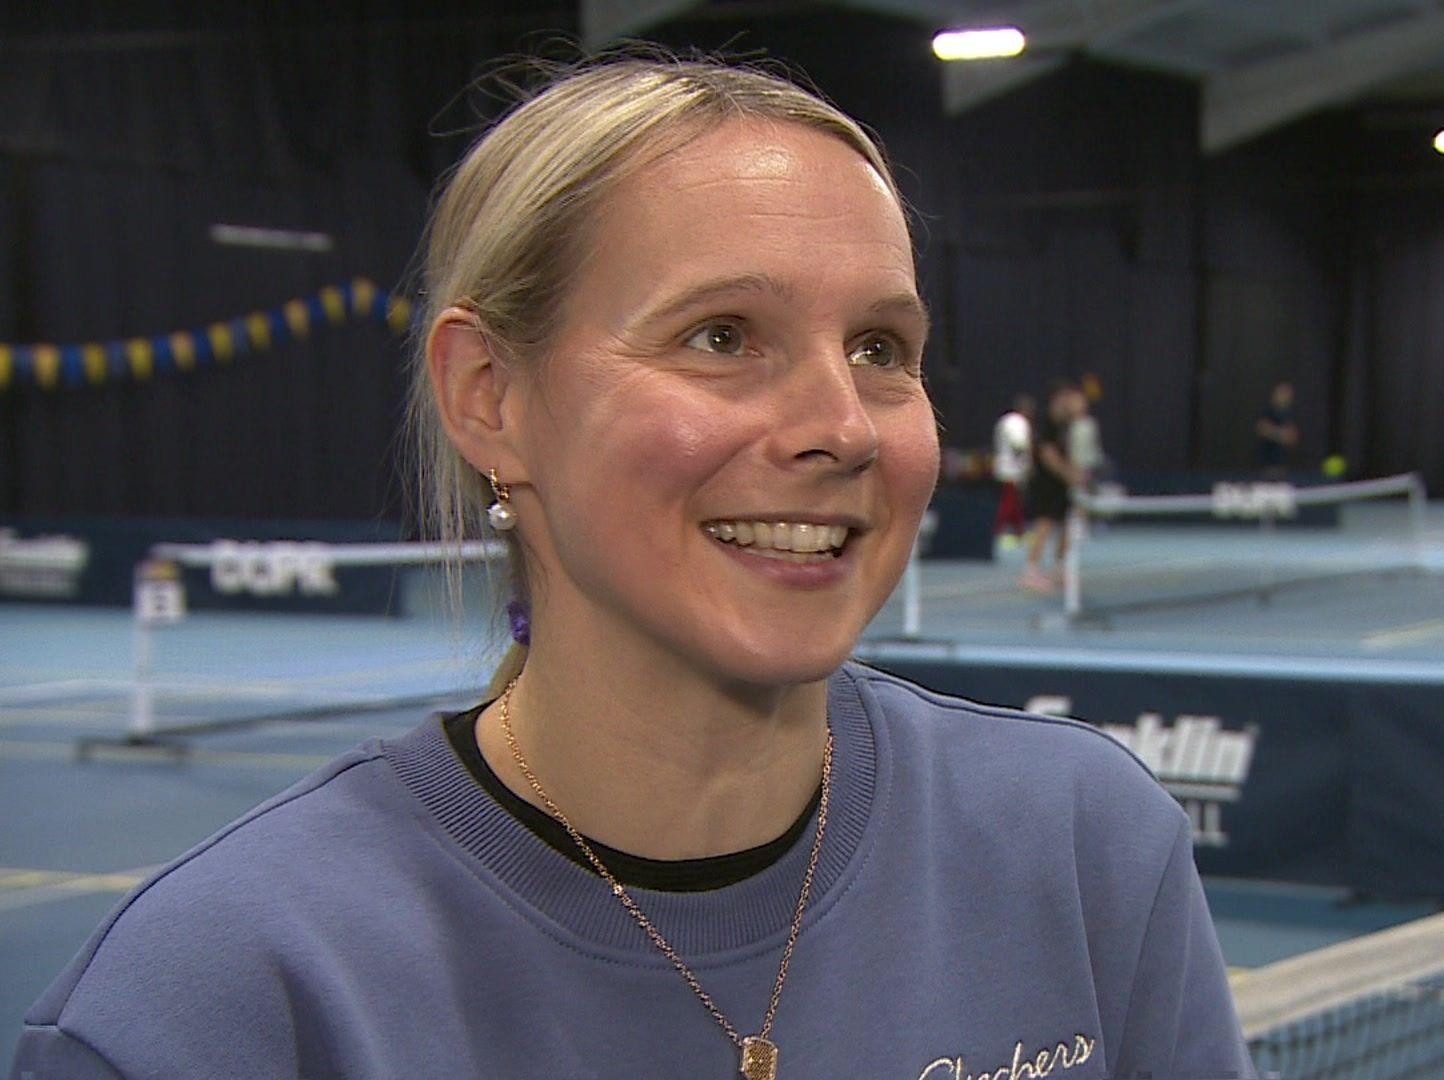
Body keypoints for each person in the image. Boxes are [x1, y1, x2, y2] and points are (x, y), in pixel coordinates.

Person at [13, 55, 1252, 1079]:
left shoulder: (1085, 845)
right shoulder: (222, 994)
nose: (843, 425)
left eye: (882, 344)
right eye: (723, 336)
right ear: (490, 397)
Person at [1022, 380, 1086, 592]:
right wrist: (1069, 475)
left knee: (1067, 526)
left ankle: (1059, 568)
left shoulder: (1068, 425)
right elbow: (1048, 456)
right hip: (1045, 483)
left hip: (1062, 485)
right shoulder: (1045, 423)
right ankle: (1030, 571)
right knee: (1045, 524)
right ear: (1058, 400)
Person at [990, 393, 1035, 549]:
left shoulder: (1005, 420)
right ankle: (998, 531)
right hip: (1012, 470)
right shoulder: (1018, 422)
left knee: (1014, 503)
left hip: (1006, 467)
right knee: (1008, 502)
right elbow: (1019, 445)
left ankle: (1020, 531)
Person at [1255, 381, 1300, 479]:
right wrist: (1281, 434)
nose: (1285, 396)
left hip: (1284, 471)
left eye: (1288, 393)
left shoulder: (1291, 415)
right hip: (1267, 470)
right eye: (1282, 393)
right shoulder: (1267, 411)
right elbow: (1262, 429)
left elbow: (1292, 439)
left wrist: (1281, 435)